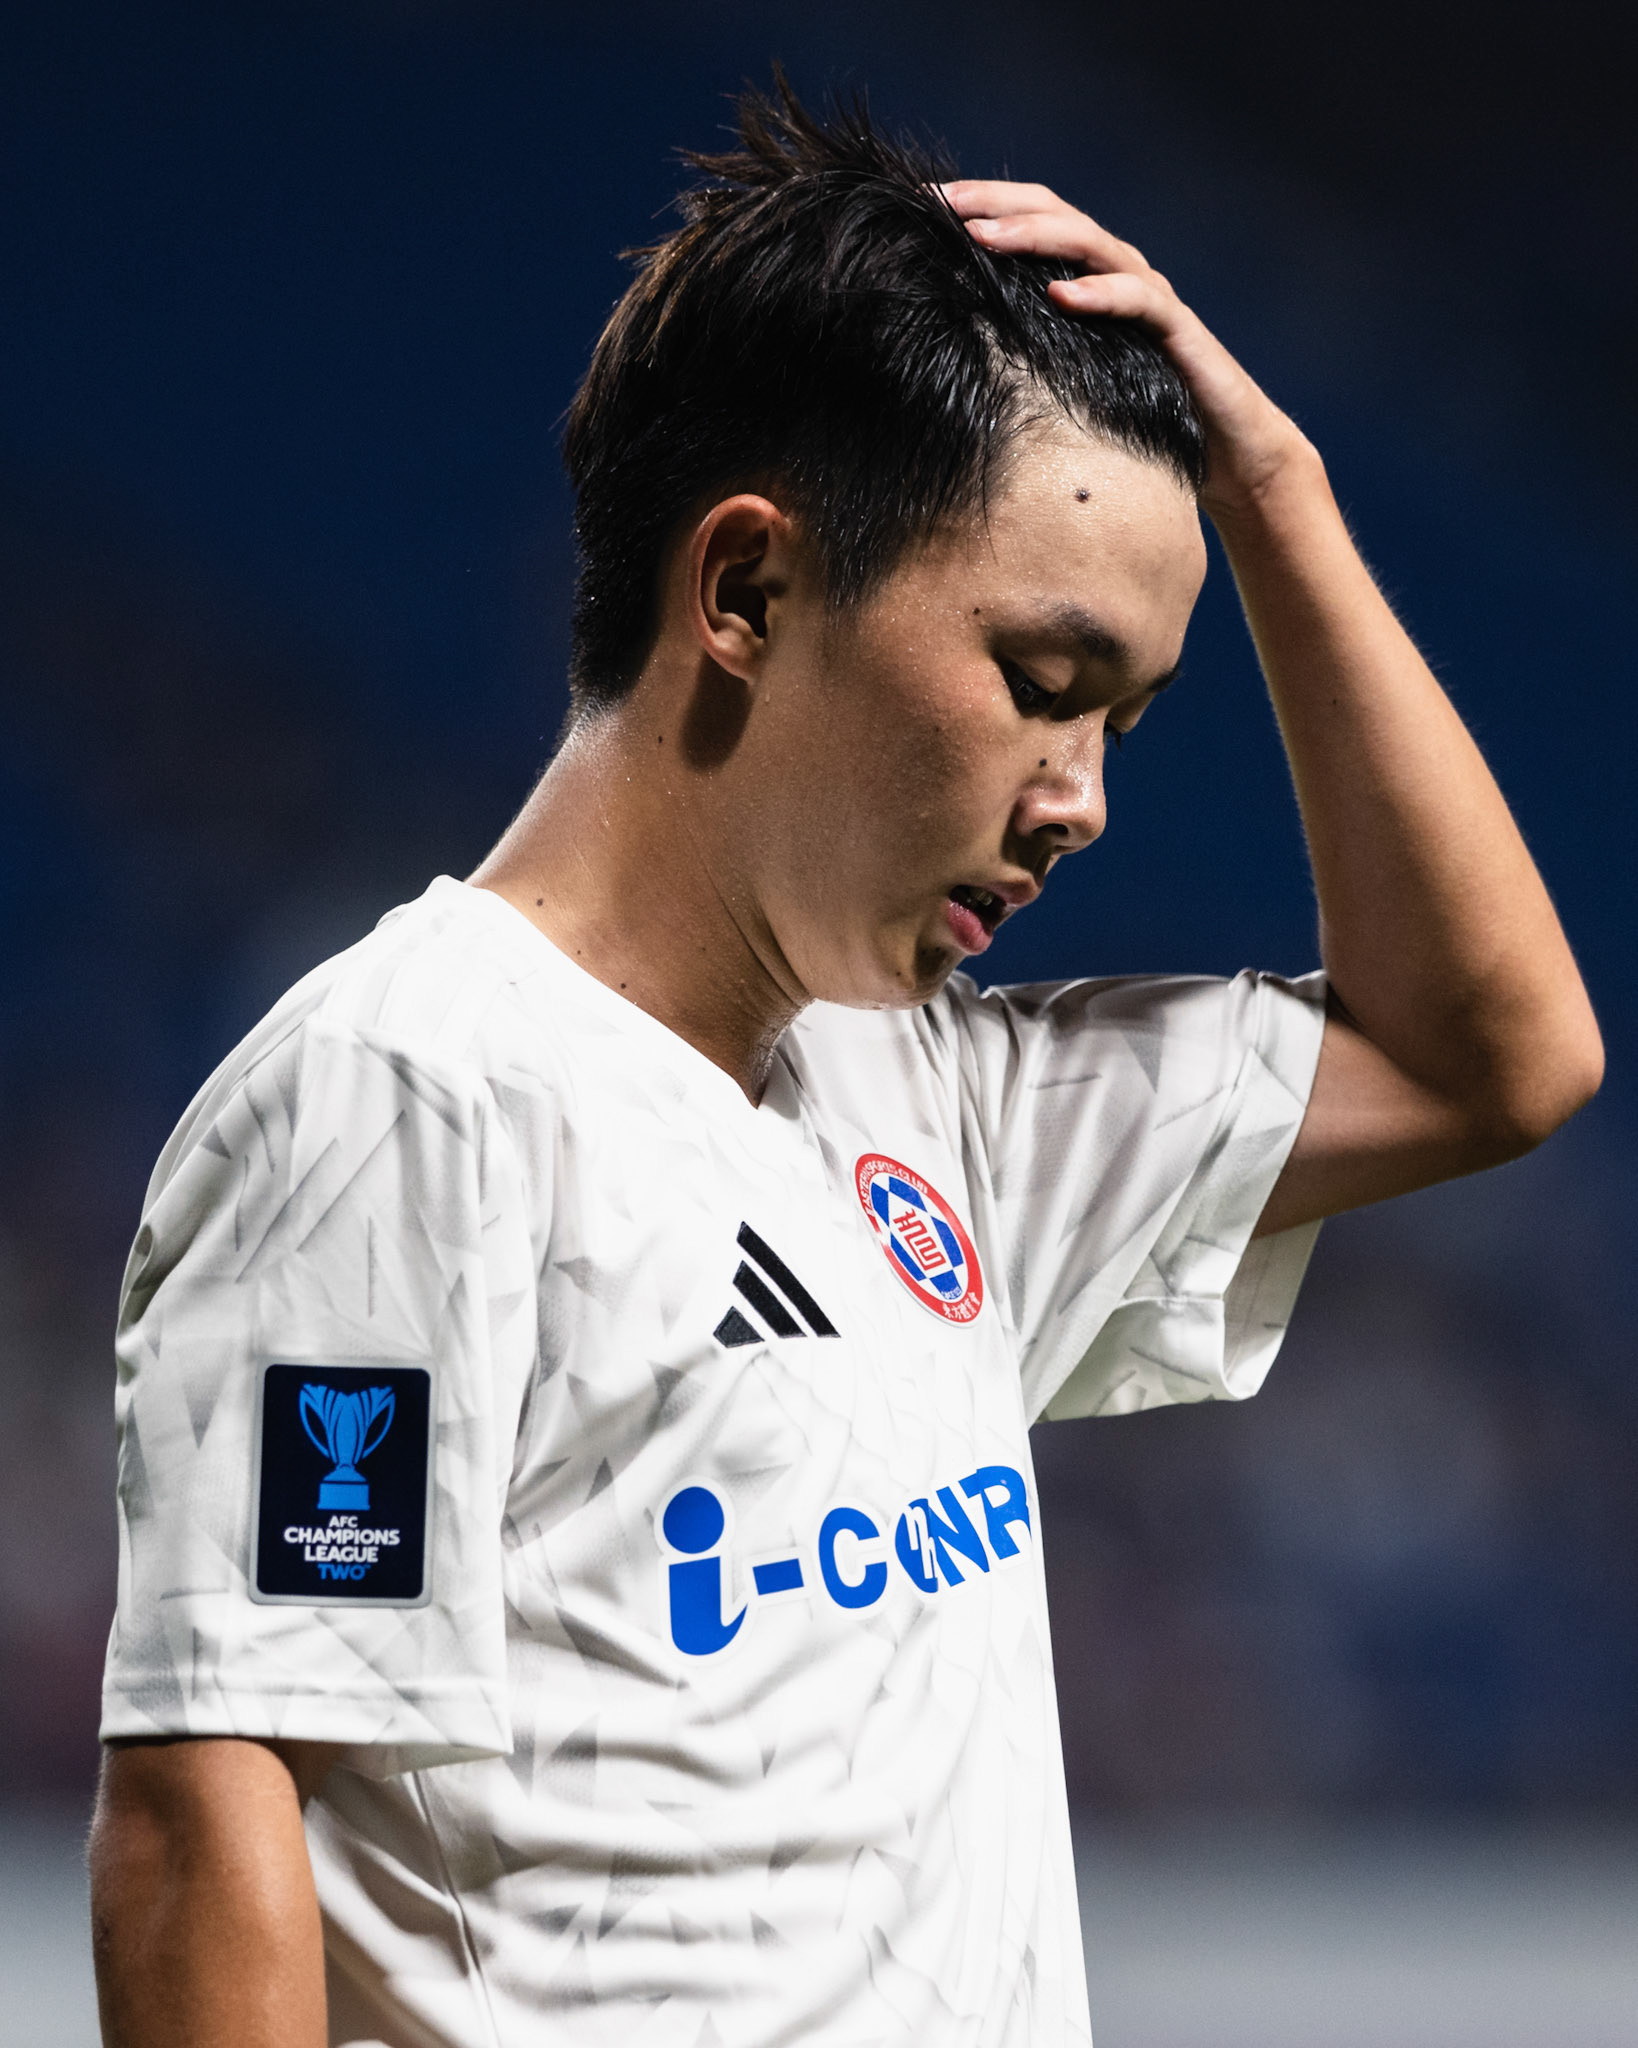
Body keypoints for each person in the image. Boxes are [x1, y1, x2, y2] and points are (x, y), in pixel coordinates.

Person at [88, 80, 1601, 2048]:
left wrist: (1279, 494)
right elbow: (211, 1806)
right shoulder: (408, 1092)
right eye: (1043, 686)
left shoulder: (935, 1094)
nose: (1082, 804)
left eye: (1127, 726)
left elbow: (1493, 1056)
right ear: (744, 590)